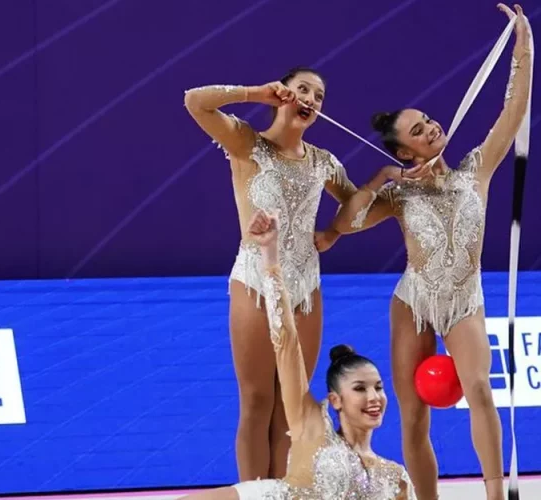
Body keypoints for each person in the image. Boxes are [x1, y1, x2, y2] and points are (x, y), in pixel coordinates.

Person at [323, 5, 531, 499]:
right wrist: (382, 177)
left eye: (429, 121)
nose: (431, 128)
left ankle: (496, 495)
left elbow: (512, 112)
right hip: (413, 301)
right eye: (417, 131)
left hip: (464, 300)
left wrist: (523, 45)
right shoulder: (399, 195)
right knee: (413, 416)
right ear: (404, 153)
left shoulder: (475, 171)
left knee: (480, 391)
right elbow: (346, 223)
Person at [183, 68, 357, 480]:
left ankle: (284, 491)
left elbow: (358, 206)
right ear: (284, 94)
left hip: (306, 288)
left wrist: (334, 231)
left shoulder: (323, 162)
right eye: (302, 89)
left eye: (319, 95)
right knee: (257, 401)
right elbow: (195, 101)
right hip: (255, 282)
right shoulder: (247, 144)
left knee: (290, 408)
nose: (310, 99)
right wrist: (255, 93)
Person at [180, 210, 414, 500]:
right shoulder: (312, 423)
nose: (374, 397)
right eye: (360, 388)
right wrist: (270, 259)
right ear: (335, 400)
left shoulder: (395, 478)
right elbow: (287, 344)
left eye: (378, 387)